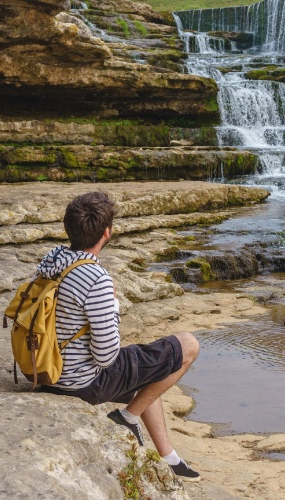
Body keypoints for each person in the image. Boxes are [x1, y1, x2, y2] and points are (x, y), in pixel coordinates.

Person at [36, 191, 202, 481]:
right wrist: (112, 304)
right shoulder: (96, 278)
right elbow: (107, 356)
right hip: (79, 382)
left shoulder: (52, 258)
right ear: (107, 233)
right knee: (187, 345)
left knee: (147, 367)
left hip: (43, 368)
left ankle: (169, 457)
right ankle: (126, 417)